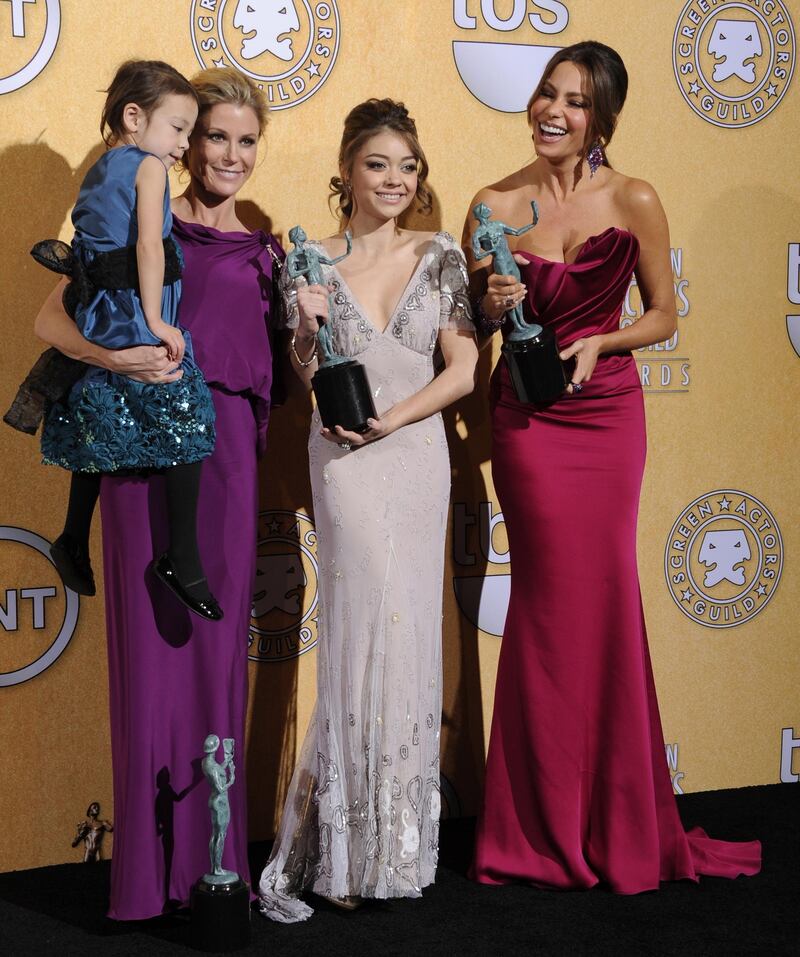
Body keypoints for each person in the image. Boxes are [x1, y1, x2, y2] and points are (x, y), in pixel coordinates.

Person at [465, 41, 760, 893]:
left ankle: (616, 814)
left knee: (604, 603)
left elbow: (666, 314)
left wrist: (605, 336)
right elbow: (474, 326)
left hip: (606, 418)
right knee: (547, 608)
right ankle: (537, 827)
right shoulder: (493, 201)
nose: (553, 111)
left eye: (576, 101)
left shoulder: (634, 198)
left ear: (603, 118)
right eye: (547, 94)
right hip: (528, 419)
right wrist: (490, 301)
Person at [33, 67, 281, 920]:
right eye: (214, 136)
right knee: (150, 660)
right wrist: (121, 357)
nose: (230, 155)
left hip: (232, 465)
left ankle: (214, 867)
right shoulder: (143, 214)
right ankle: (147, 876)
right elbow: (56, 324)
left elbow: (291, 367)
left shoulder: (269, 245)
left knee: (215, 660)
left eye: (248, 141)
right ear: (181, 138)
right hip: (147, 464)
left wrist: (314, 322)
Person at [258, 98, 478, 921]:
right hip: (346, 464)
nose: (395, 180)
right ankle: (345, 853)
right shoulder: (310, 260)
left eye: (408, 167)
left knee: (410, 634)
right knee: (357, 635)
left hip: (416, 457)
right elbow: (307, 372)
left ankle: (399, 851)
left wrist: (398, 417)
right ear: (348, 170)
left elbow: (462, 371)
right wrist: (306, 325)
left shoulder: (443, 254)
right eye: (379, 164)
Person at [31, 60, 221, 619]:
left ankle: (70, 536)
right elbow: (147, 248)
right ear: (134, 117)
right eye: (178, 129)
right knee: (187, 413)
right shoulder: (147, 168)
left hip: (97, 313)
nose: (183, 146)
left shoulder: (99, 168)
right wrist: (159, 323)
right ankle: (182, 558)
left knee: (100, 419)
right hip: (133, 315)